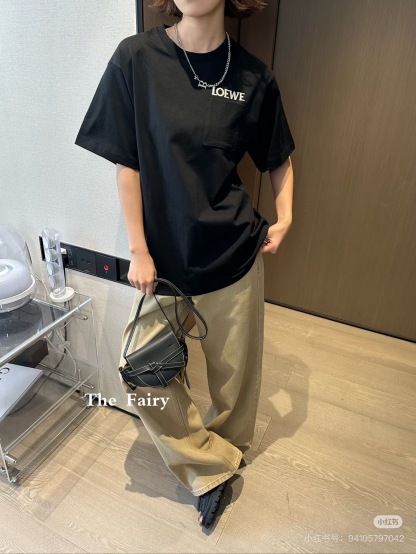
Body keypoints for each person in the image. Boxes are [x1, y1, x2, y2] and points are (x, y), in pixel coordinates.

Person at [75, 0, 295, 529]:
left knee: (234, 383)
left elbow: (278, 155)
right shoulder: (135, 58)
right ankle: (211, 466)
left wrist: (287, 216)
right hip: (164, 262)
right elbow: (127, 163)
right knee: (140, 370)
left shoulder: (253, 77)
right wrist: (138, 250)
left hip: (233, 254)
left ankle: (223, 458)